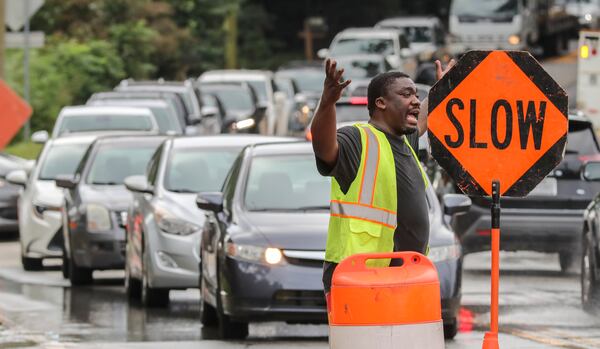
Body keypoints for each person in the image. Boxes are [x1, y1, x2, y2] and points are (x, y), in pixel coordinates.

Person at [311, 58, 456, 308]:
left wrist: (439, 90)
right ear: (381, 103)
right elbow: (323, 146)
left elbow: (422, 117)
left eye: (416, 95)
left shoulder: (406, 141)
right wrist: (327, 103)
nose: (414, 100)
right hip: (360, 277)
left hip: (405, 274)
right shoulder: (357, 138)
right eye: (405, 94)